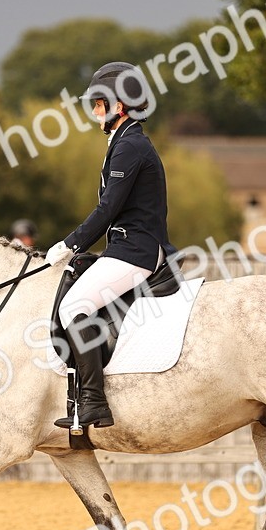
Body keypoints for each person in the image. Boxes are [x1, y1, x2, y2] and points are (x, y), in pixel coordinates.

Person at [44, 61, 172, 429]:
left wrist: (70, 244)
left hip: (136, 251)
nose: (94, 112)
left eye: (98, 104)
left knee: (74, 307)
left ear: (118, 106)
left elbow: (108, 209)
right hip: (126, 246)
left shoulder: (130, 146)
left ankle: (94, 401)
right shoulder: (125, 141)